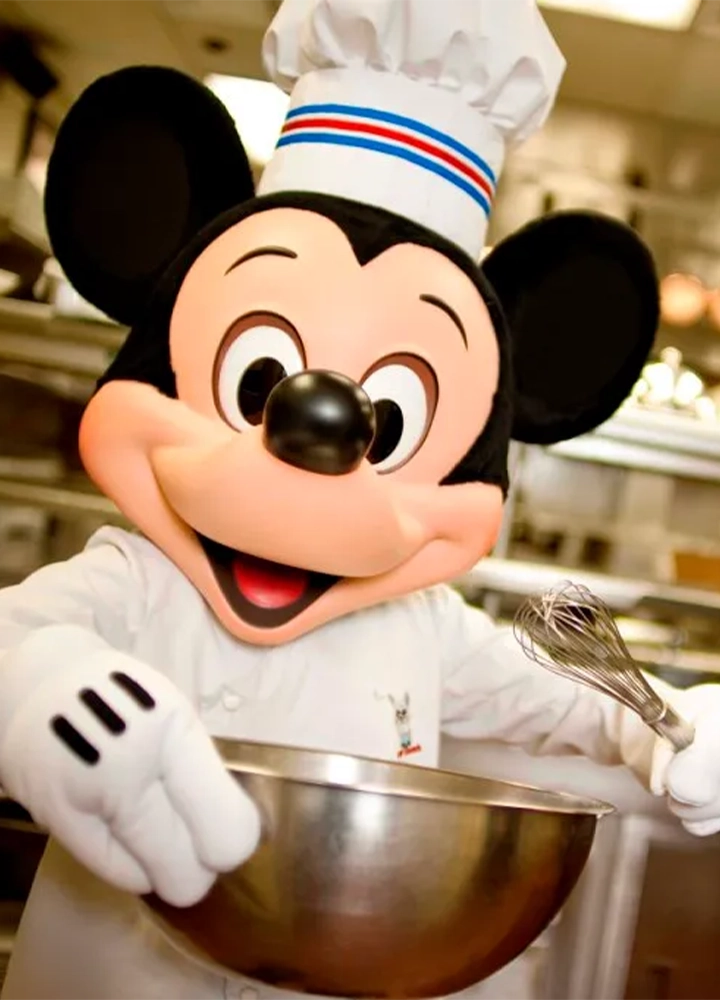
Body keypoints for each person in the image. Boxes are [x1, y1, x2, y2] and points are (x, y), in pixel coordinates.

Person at [2, 1, 720, 998]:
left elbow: (574, 706)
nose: (317, 442)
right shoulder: (139, 582)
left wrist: (671, 728)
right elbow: (15, 642)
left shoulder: (423, 626)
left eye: (388, 419)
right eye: (259, 382)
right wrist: (36, 689)